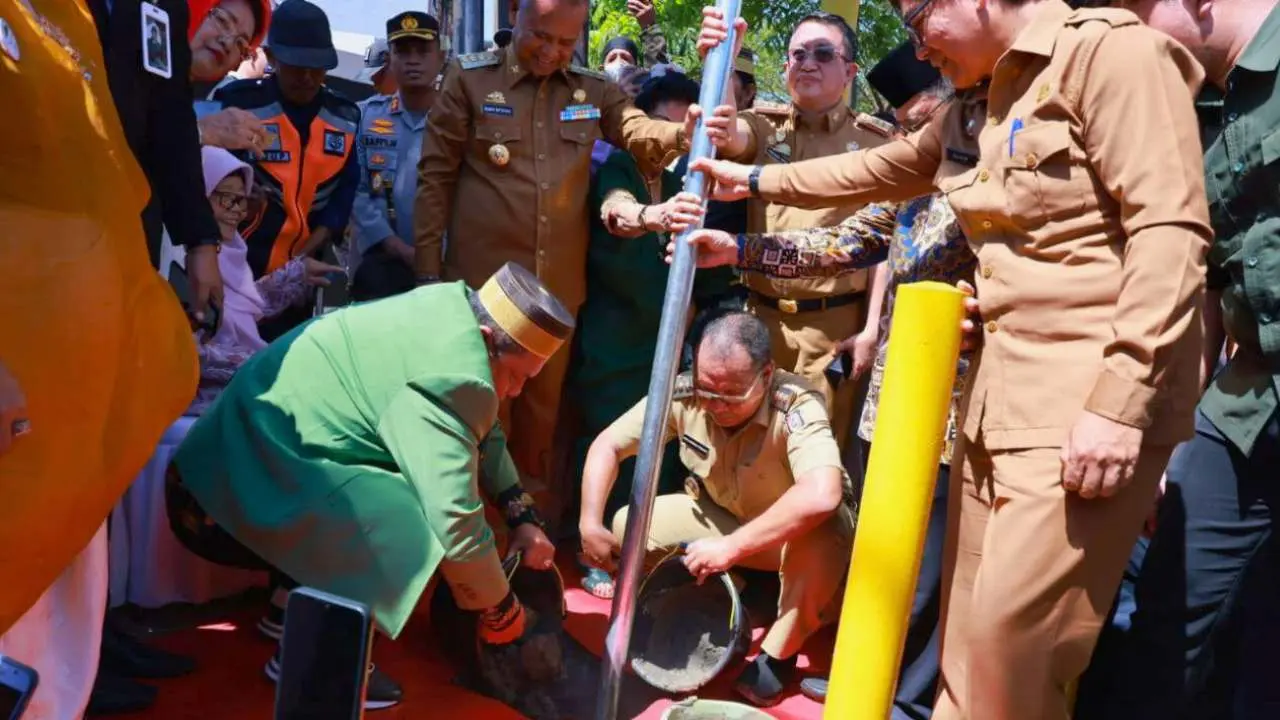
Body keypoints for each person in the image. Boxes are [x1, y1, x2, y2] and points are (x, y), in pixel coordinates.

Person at [691, 1, 1211, 716]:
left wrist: (1120, 407)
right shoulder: (976, 104)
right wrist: (748, 182)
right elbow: (878, 170)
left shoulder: (1112, 57)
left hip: (1082, 409)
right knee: (965, 644)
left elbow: (1171, 233)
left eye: (917, 21)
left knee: (1014, 656)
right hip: (992, 403)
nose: (919, 50)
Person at [168, 262, 568, 710]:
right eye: (516, 376)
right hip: (216, 499)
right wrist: (501, 609)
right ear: (488, 338)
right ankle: (323, 658)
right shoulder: (461, 377)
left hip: (226, 463)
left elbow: (479, 425)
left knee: (373, 471)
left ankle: (291, 609)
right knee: (410, 518)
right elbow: (453, 518)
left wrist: (522, 515)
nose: (513, 391)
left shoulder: (449, 312)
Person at [415, 0, 705, 530]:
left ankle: (533, 553)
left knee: (544, 424)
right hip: (481, 298)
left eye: (565, 42)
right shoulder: (470, 80)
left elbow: (638, 129)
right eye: (540, 36)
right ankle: (475, 550)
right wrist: (429, 279)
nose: (550, 51)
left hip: (556, 298)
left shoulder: (592, 91)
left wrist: (683, 133)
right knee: (479, 421)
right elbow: (434, 180)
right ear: (517, 18)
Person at [1074, 0, 1280, 717]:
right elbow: (1204, 292)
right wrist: (1166, 437)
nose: (1126, 34)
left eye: (1134, 10)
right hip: (1245, 400)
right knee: (1170, 606)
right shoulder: (1197, 109)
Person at [0, 2, 198, 717]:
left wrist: (196, 237)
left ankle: (95, 645)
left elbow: (158, 124)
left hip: (100, 290)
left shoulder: (87, 16)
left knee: (90, 493)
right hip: (20, 316)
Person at [781, 44, 970, 719]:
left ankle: (907, 700)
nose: (917, 134)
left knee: (928, 568)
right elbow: (834, 242)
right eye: (906, 125)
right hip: (890, 399)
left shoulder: (987, 185)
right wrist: (741, 250)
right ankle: (867, 672)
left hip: (955, 410)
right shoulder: (910, 193)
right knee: (883, 546)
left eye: (927, 118)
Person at [580, 311, 854, 707]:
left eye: (731, 395)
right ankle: (732, 597)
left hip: (787, 543)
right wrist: (589, 521)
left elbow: (822, 494)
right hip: (726, 524)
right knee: (630, 525)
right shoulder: (687, 393)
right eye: (708, 389)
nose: (714, 405)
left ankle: (779, 652)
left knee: (826, 529)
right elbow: (608, 445)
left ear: (766, 375)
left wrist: (732, 549)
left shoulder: (795, 403)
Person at [567, 69, 731, 598]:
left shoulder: (688, 177)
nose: (667, 139)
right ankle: (595, 552)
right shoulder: (617, 166)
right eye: (662, 124)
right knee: (607, 441)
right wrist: (653, 217)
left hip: (663, 338)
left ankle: (645, 552)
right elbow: (616, 214)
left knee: (658, 449)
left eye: (681, 127)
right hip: (615, 338)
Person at [703, 11, 898, 454]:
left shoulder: (875, 142)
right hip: (760, 323)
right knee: (754, 453)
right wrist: (723, 64)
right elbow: (728, 136)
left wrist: (871, 330)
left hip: (833, 330)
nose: (807, 63)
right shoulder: (765, 124)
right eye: (798, 54)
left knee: (824, 458)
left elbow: (882, 246)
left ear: (849, 71)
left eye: (823, 53)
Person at [210, 0, 360, 340]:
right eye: (297, 66)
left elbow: (346, 192)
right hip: (233, 274)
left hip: (301, 280)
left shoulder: (345, 117)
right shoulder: (238, 103)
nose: (307, 77)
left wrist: (310, 251)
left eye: (317, 67)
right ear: (272, 57)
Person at [88, 0, 224, 332]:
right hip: (33, 211)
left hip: (126, 226)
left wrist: (200, 240)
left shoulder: (166, 7)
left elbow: (171, 118)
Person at [192, 146, 343, 414]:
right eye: (227, 198)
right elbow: (185, 353)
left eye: (243, 201)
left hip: (242, 396)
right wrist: (263, 363)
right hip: (201, 407)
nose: (237, 212)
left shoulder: (229, 254)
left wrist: (295, 275)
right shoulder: (186, 260)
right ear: (199, 196)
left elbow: (244, 307)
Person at [350, 11, 445, 302]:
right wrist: (396, 248)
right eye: (402, 52)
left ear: (440, 58)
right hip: (378, 268)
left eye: (422, 51)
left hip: (443, 269)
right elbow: (356, 191)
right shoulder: (364, 117)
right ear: (389, 60)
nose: (413, 60)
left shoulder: (459, 122)